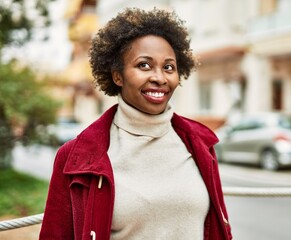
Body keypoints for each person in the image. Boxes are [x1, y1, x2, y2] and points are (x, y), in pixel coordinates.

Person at [39, 7, 232, 240]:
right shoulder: (74, 157)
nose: (159, 78)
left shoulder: (201, 145)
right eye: (144, 65)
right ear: (117, 76)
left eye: (168, 67)